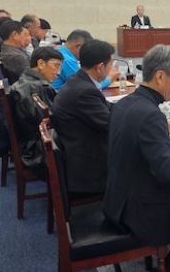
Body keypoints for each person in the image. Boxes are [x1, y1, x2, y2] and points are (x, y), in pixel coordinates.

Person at [103, 45, 170, 272]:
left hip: (117, 199)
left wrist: (164, 135)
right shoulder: (150, 114)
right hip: (139, 212)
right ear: (160, 76)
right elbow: (167, 171)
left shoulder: (125, 103)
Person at [53, 40, 114, 195]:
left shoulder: (78, 81)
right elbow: (112, 126)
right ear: (100, 67)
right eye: (111, 65)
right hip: (90, 168)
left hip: (78, 150)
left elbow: (106, 109)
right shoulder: (84, 92)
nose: (112, 69)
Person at [10, 47, 62, 176]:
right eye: (56, 66)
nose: (59, 72)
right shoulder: (35, 87)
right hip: (38, 149)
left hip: (31, 141)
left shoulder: (27, 79)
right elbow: (49, 122)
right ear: (41, 63)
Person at [52, 29, 119, 90]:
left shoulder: (61, 51)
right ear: (78, 46)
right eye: (86, 49)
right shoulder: (67, 60)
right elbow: (86, 86)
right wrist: (109, 79)